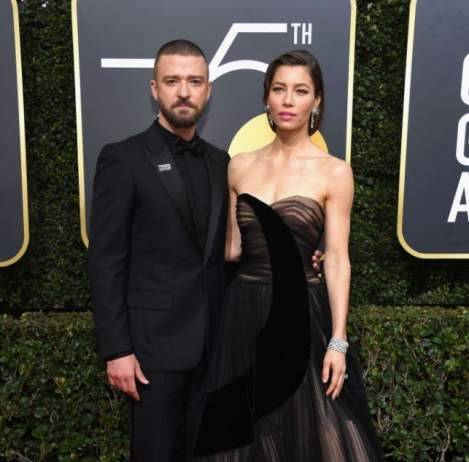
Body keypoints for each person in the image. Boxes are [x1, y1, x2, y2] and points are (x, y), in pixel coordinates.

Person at [194, 50, 383, 461]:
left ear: (316, 101)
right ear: (266, 97)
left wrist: (338, 341)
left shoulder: (334, 171)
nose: (288, 100)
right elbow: (232, 248)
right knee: (246, 435)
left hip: (301, 314)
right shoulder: (239, 167)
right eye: (279, 89)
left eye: (300, 91)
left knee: (317, 430)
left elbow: (337, 259)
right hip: (245, 315)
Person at [88, 39, 231, 461]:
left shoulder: (222, 163)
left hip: (214, 349)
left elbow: (231, 248)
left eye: (195, 82)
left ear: (208, 90)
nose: (184, 92)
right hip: (153, 351)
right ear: (154, 88)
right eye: (172, 81)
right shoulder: (123, 158)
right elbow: (106, 260)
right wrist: (117, 350)